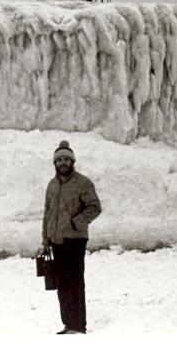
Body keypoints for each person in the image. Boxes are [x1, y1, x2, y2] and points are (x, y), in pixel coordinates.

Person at [40, 140, 102, 335]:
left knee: (75, 282)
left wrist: (76, 222)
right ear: (55, 163)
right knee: (62, 285)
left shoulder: (83, 183)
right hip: (56, 241)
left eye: (67, 159)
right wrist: (45, 240)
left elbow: (94, 207)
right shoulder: (51, 185)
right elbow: (47, 213)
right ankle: (68, 324)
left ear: (72, 161)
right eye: (60, 160)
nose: (63, 163)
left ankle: (78, 325)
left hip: (75, 240)